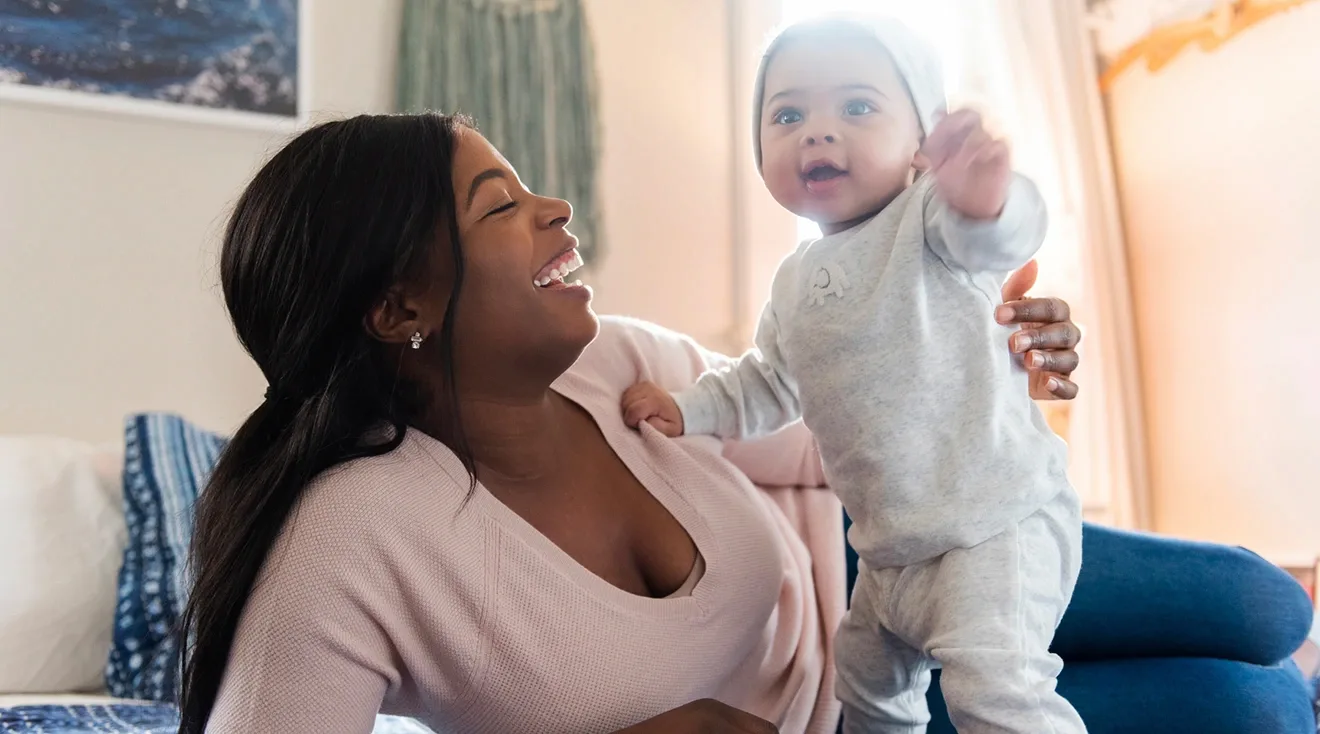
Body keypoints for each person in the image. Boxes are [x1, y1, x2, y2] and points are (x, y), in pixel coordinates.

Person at [177, 112, 1315, 734]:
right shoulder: (351, 535)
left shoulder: (613, 361)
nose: (555, 208)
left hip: (916, 534)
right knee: (1256, 704)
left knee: (1264, 602)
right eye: (502, 203)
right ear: (399, 307)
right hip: (879, 709)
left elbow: (827, 433)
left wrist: (977, 356)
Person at [619, 16, 1081, 733]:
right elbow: (769, 382)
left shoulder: (931, 218)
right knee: (866, 691)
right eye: (788, 114)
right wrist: (688, 409)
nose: (818, 131)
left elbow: (999, 234)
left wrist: (984, 192)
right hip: (889, 552)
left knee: (996, 692)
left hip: (994, 524)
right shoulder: (795, 281)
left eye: (858, 107)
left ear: (922, 144)